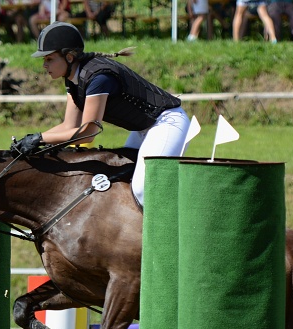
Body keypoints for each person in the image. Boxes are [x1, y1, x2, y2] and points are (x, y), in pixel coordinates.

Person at [11, 22, 190, 207]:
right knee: (124, 179)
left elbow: (89, 132)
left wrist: (40, 139)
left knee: (143, 190)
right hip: (143, 128)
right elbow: (69, 126)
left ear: (69, 57)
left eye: (49, 59)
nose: (44, 65)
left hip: (167, 123)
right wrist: (32, 140)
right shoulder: (74, 80)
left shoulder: (98, 78)